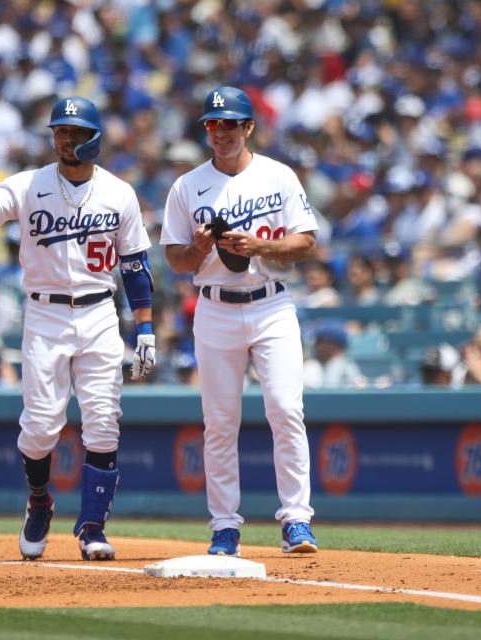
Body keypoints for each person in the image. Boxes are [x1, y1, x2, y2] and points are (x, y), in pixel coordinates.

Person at [0, 96, 156, 561]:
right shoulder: (30, 183)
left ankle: (92, 527)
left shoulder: (119, 192)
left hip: (100, 312)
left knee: (103, 423)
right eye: (61, 131)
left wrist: (145, 328)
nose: (67, 139)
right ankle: (39, 500)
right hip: (45, 314)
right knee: (40, 427)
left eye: (76, 132)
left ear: (94, 138)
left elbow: (136, 266)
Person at [160, 86, 319, 557]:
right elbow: (175, 258)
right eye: (213, 123)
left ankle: (296, 521)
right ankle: (224, 527)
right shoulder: (187, 186)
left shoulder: (278, 175)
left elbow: (307, 242)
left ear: (249, 127)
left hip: (272, 303)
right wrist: (202, 247)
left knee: (286, 410)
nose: (221, 131)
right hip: (214, 306)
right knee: (220, 422)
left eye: (230, 123)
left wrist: (261, 247)